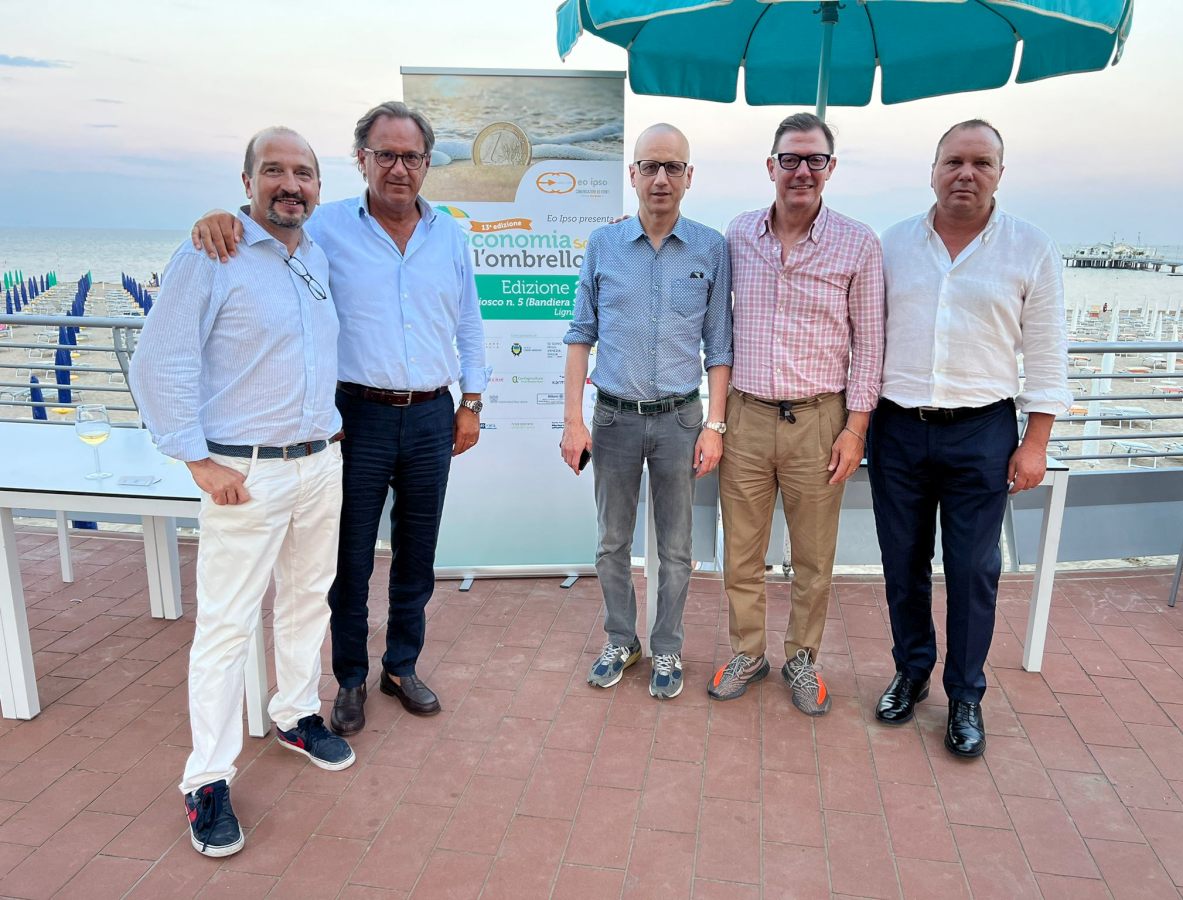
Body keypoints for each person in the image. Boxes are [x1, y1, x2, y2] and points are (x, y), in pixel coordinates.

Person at [192, 102, 490, 735]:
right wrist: (224, 218)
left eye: (411, 156)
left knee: (417, 554)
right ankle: (350, 678)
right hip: (355, 417)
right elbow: (266, 231)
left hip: (433, 415)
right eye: (386, 155)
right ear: (362, 160)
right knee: (347, 560)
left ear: (427, 164)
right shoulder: (325, 227)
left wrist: (472, 402)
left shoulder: (451, 236)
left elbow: (469, 322)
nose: (399, 168)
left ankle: (401, 667)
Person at [131, 127, 354, 858]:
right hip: (244, 474)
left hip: (320, 461)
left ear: (318, 186)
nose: (291, 184)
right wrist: (196, 461)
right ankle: (206, 778)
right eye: (274, 171)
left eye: (304, 173)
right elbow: (159, 359)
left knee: (307, 599)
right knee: (227, 626)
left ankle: (294, 713)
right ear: (248, 181)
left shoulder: (314, 255)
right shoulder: (211, 252)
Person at [869, 120, 1070, 758]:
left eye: (982, 162)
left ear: (1000, 174)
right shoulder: (893, 244)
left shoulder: (1030, 248)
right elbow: (865, 338)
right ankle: (911, 671)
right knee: (903, 563)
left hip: (983, 431)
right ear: (932, 171)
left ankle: (965, 695)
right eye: (954, 161)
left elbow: (1047, 354)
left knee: (973, 571)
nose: (966, 173)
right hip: (898, 426)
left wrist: (1035, 443)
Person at [710, 113, 885, 716]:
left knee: (813, 557)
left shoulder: (858, 243)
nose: (802, 171)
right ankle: (748, 652)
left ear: (830, 168)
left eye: (814, 160)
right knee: (742, 551)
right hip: (746, 416)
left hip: (819, 421)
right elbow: (717, 324)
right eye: (790, 159)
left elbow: (870, 345)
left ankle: (803, 659)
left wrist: (856, 429)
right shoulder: (738, 234)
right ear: (771, 166)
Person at [560, 123, 733, 700]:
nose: (661, 178)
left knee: (676, 548)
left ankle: (668, 646)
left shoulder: (711, 248)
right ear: (632, 174)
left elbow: (719, 346)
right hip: (612, 419)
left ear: (689, 176)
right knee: (611, 543)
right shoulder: (603, 245)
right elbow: (580, 335)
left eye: (673, 167)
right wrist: (573, 421)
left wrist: (715, 425)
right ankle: (621, 638)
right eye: (650, 166)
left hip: (681, 420)